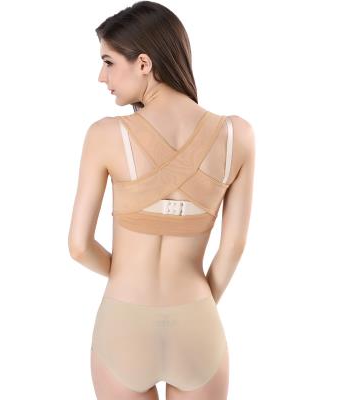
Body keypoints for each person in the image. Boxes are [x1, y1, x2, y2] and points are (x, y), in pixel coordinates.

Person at [68, 1, 255, 399]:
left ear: (143, 63)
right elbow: (233, 246)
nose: (102, 76)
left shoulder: (105, 136)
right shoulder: (237, 135)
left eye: (108, 62)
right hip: (196, 320)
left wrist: (127, 275)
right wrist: (197, 307)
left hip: (124, 319)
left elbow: (79, 246)